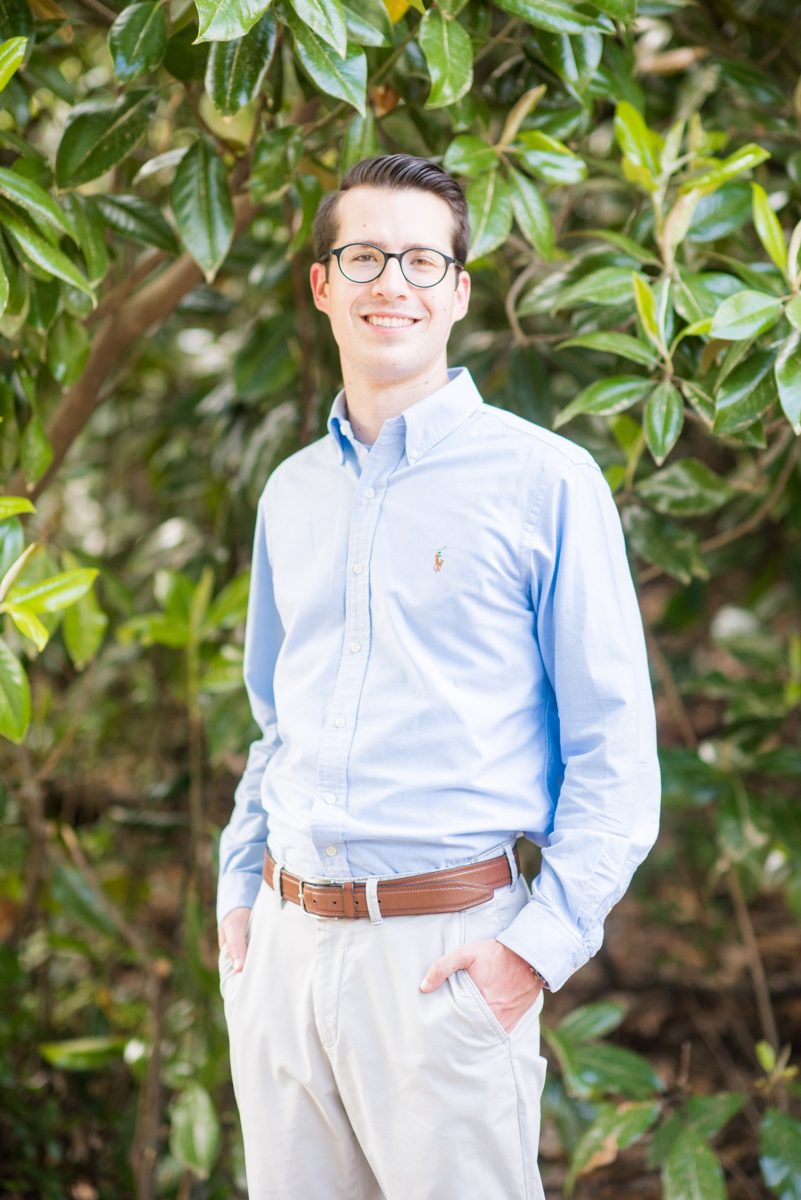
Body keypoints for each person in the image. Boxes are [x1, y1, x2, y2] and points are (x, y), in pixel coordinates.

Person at [216, 154, 660, 1199]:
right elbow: (272, 720)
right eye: (363, 256)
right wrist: (239, 894)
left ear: (458, 291)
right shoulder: (292, 493)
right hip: (282, 956)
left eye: (422, 259)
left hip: (445, 959)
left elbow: (615, 754)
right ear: (322, 283)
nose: (392, 284)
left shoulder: (546, 481)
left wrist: (532, 953)